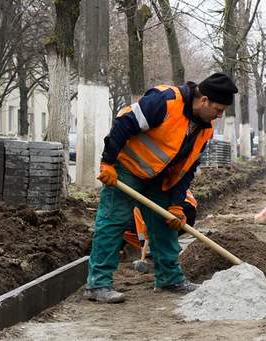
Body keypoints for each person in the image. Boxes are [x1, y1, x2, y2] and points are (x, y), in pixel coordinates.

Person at [84, 73, 238, 303]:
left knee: (165, 224)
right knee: (112, 222)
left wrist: (176, 205)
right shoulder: (166, 101)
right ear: (204, 100)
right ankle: (97, 285)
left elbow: (186, 169)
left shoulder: (204, 129)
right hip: (126, 169)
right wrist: (107, 161)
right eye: (218, 109)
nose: (219, 114)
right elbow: (124, 122)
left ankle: (169, 279)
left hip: (158, 178)